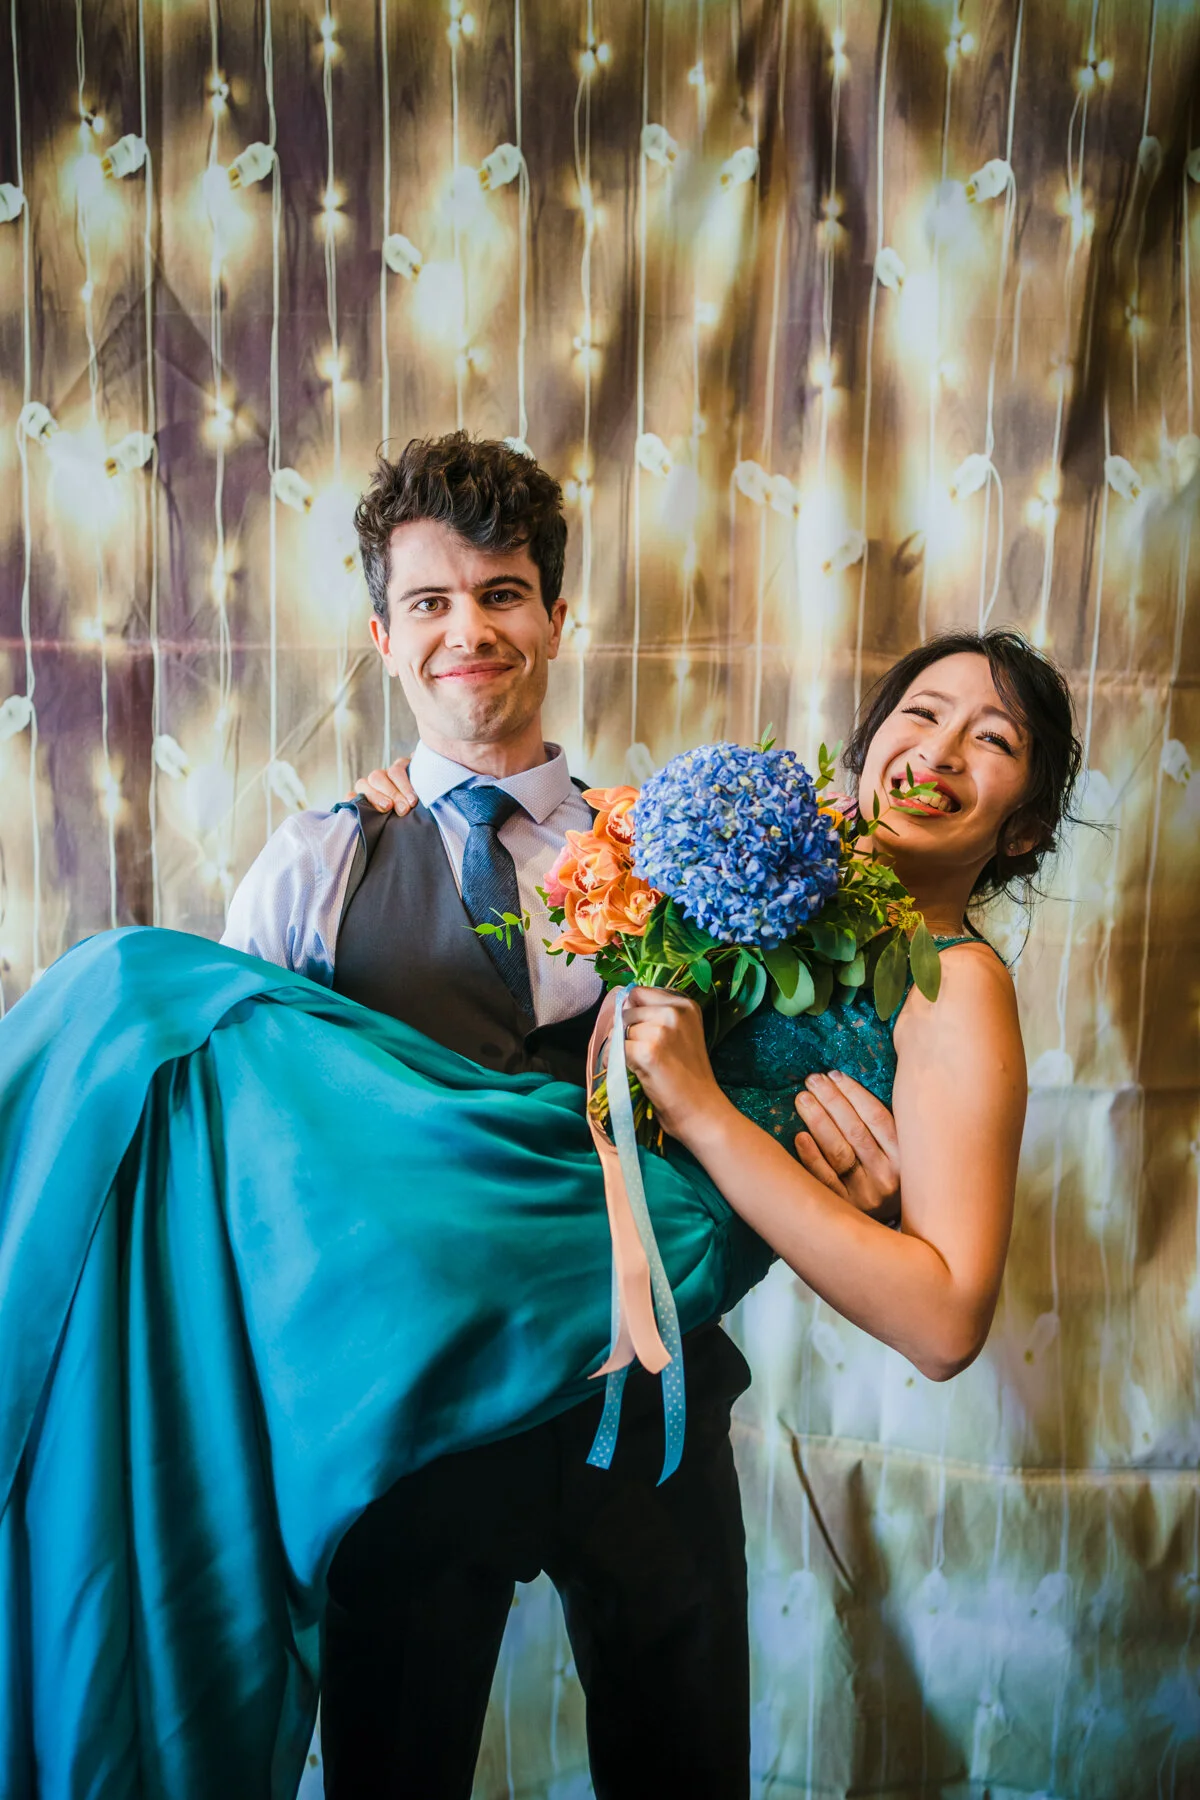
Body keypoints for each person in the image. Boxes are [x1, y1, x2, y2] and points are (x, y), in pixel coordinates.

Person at [0, 512, 1080, 1798]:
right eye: (923, 715)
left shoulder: (826, 925)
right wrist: (400, 807)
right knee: (181, 1010)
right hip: (444, 1377)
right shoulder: (738, 884)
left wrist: (746, 1140)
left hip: (638, 1343)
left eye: (993, 741)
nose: (941, 751)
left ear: (1024, 828)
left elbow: (942, 1312)